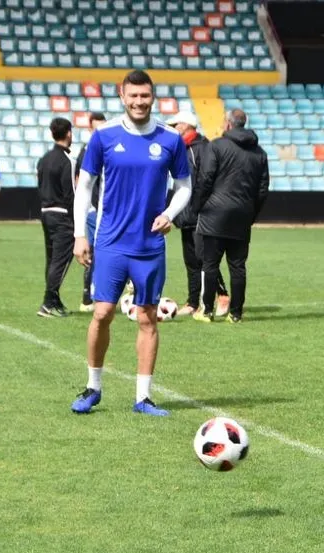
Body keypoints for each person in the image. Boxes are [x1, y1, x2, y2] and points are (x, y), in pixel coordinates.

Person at [70, 69, 191, 417]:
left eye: (145, 96)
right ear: (122, 96)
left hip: (150, 245)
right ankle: (93, 387)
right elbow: (85, 187)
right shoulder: (103, 136)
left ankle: (144, 397)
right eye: (133, 96)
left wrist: (169, 214)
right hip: (110, 241)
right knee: (102, 313)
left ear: (153, 97)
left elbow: (185, 186)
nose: (139, 102)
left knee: (147, 318)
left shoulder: (170, 139)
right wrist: (79, 234)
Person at [192, 108, 269, 323]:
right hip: (242, 215)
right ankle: (236, 313)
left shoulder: (216, 146)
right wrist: (251, 214)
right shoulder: (260, 153)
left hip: (214, 214)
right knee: (238, 266)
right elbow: (263, 189)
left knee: (210, 264)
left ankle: (207, 311)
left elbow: (206, 178)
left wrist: (197, 206)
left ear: (227, 124)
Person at [164, 110, 230, 317]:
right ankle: (193, 302)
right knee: (191, 261)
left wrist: (201, 206)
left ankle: (222, 295)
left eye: (175, 125)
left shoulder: (202, 148)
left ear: (185, 125)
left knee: (205, 258)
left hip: (201, 213)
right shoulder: (182, 149)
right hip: (185, 215)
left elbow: (207, 181)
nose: (172, 128)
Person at [35, 117, 76, 318]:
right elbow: (70, 194)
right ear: (68, 133)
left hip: (46, 213)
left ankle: (54, 300)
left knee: (52, 259)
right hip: (62, 215)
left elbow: (40, 185)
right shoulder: (66, 160)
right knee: (61, 260)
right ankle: (48, 303)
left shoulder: (43, 159)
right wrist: (76, 221)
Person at [74, 112, 107, 312]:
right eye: (96, 128)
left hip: (107, 208)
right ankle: (88, 297)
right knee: (96, 251)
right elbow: (80, 182)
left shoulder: (110, 147)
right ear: (89, 129)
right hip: (94, 210)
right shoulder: (87, 151)